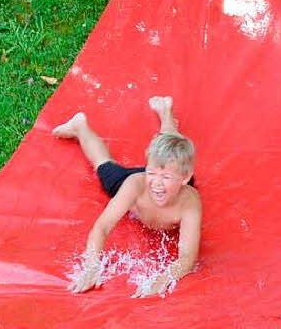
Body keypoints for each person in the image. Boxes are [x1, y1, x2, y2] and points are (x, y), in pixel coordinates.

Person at [54, 96, 201, 297]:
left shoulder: (189, 201)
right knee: (103, 164)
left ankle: (166, 115)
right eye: (153, 173)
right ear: (147, 169)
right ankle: (80, 127)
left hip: (168, 173)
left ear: (185, 178)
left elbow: (187, 257)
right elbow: (102, 227)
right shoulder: (134, 185)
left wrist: (163, 279)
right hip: (138, 182)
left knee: (172, 150)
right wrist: (91, 267)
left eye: (165, 177)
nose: (157, 183)